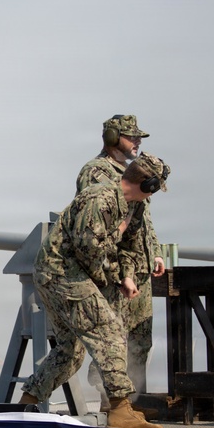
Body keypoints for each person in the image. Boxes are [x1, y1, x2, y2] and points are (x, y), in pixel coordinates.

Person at [19, 152, 170, 428]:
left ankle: (26, 401)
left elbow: (130, 246)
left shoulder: (134, 207)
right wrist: (115, 275)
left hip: (78, 273)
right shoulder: (98, 199)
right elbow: (88, 251)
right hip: (61, 272)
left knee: (70, 351)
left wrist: (126, 275)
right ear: (147, 184)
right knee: (109, 330)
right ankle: (121, 409)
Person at [78, 115, 164, 411]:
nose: (137, 142)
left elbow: (142, 219)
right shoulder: (97, 172)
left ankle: (132, 403)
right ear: (114, 138)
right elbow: (101, 227)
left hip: (139, 269)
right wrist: (116, 271)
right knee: (113, 339)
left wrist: (155, 251)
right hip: (115, 272)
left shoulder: (135, 171)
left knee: (141, 338)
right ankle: (110, 402)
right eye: (132, 137)